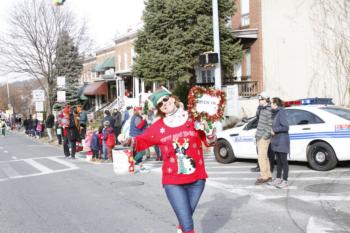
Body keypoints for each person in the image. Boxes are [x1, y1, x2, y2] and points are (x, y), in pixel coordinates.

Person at [119, 88, 215, 233]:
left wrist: (210, 134)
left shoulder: (193, 117)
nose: (164, 104)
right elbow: (141, 140)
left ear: (172, 98)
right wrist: (127, 141)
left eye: (165, 99)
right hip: (173, 182)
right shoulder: (158, 127)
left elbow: (208, 140)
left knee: (185, 218)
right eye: (159, 104)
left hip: (197, 179)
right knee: (188, 225)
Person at [268, 97, 290, 188]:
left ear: (275, 104)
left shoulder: (281, 112)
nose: (270, 105)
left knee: (284, 161)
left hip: (282, 140)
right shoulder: (275, 113)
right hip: (276, 140)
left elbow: (286, 127)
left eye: (271, 103)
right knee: (279, 162)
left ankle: (285, 180)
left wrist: (275, 130)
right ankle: (278, 179)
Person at [255, 91, 273, 185]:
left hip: (264, 137)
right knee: (264, 157)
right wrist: (259, 108)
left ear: (266, 99)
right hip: (259, 135)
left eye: (261, 99)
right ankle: (268, 175)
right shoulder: (261, 108)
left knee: (261, 157)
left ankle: (264, 176)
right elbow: (257, 117)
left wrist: (265, 136)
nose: (259, 101)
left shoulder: (269, 109)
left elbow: (270, 124)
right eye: (259, 99)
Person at [129, 106, 148, 172]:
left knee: (139, 152)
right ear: (136, 111)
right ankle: (133, 162)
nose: (141, 111)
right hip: (137, 136)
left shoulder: (136, 117)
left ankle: (141, 167)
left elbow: (143, 126)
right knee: (142, 152)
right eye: (139, 110)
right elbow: (139, 126)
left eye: (141, 109)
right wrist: (143, 119)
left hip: (137, 136)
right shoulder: (137, 117)